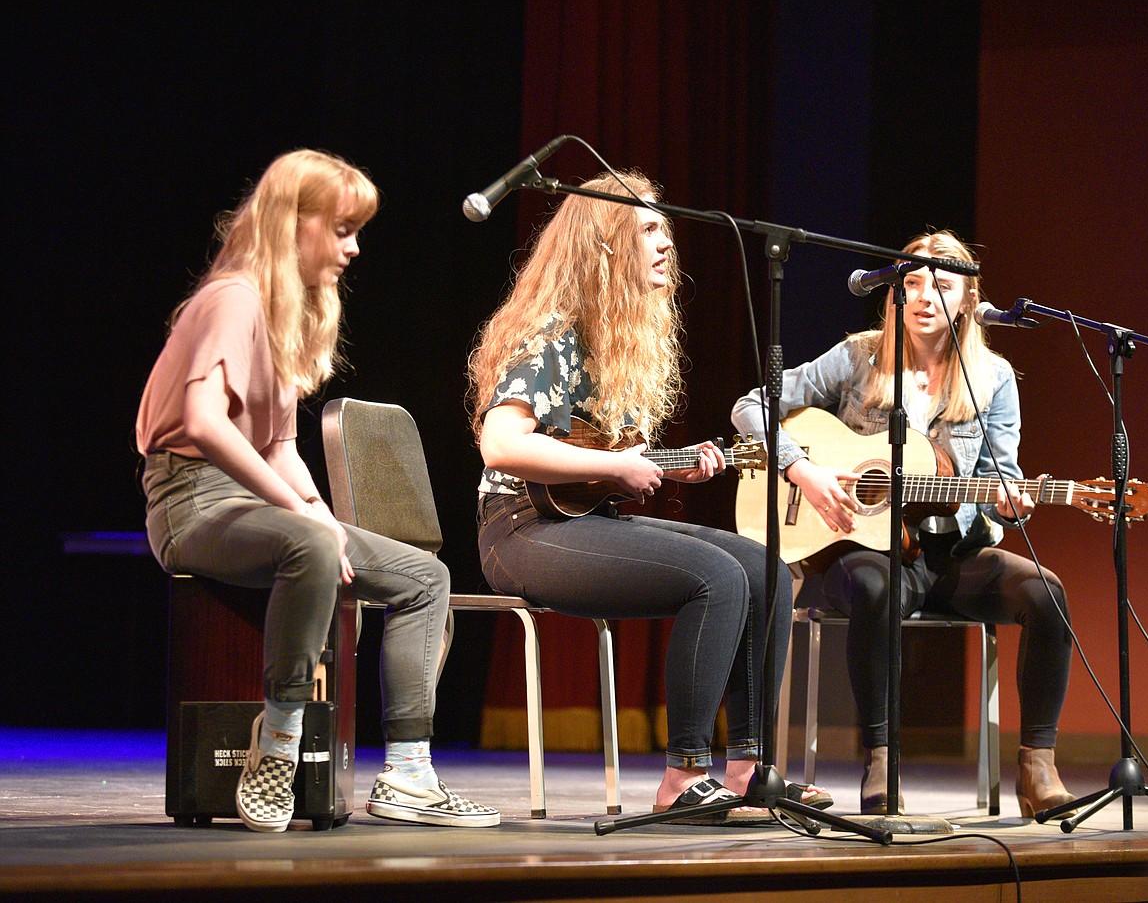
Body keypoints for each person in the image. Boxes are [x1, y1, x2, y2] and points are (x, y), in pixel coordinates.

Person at [137, 149, 498, 832]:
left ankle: (410, 774)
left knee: (425, 578)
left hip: (250, 498)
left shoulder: (279, 316)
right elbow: (203, 423)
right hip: (191, 503)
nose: (354, 247)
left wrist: (321, 517)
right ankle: (277, 744)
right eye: (340, 229)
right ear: (289, 223)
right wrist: (304, 519)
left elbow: (279, 447)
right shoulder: (232, 297)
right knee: (307, 538)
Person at [467, 169, 832, 823]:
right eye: (645, 230)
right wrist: (615, 470)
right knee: (719, 577)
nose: (665, 244)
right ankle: (683, 776)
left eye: (663, 228)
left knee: (767, 570)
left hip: (572, 520)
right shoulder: (554, 334)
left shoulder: (621, 344)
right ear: (603, 249)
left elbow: (591, 474)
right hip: (519, 532)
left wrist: (664, 468)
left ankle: (748, 767)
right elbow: (501, 445)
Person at [731, 230, 1076, 818]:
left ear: (967, 297)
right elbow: (749, 406)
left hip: (952, 554)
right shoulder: (859, 356)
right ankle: (880, 759)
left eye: (940, 285)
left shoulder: (993, 378)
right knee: (875, 584)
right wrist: (803, 470)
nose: (922, 296)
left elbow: (1001, 477)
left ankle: (1038, 766)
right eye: (911, 282)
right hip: (859, 546)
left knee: (1047, 594)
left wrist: (1004, 503)